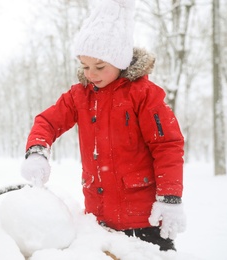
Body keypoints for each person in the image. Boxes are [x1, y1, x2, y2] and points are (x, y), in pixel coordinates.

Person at [20, 0, 186, 252]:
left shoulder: (144, 95)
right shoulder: (80, 96)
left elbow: (167, 146)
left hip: (144, 220)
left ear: (119, 62)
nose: (91, 74)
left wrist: (170, 198)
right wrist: (37, 150)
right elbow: (47, 121)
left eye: (99, 67)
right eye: (85, 66)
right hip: (99, 220)